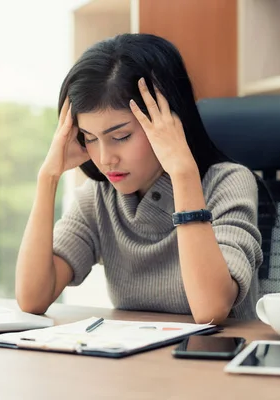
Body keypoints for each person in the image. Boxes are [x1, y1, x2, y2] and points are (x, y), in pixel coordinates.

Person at [15, 33, 263, 324]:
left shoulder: (228, 183)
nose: (106, 158)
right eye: (90, 138)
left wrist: (183, 173)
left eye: (121, 136)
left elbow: (211, 309)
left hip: (212, 363)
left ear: (168, 119)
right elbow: (32, 298)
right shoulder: (99, 196)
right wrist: (48, 177)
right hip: (136, 364)